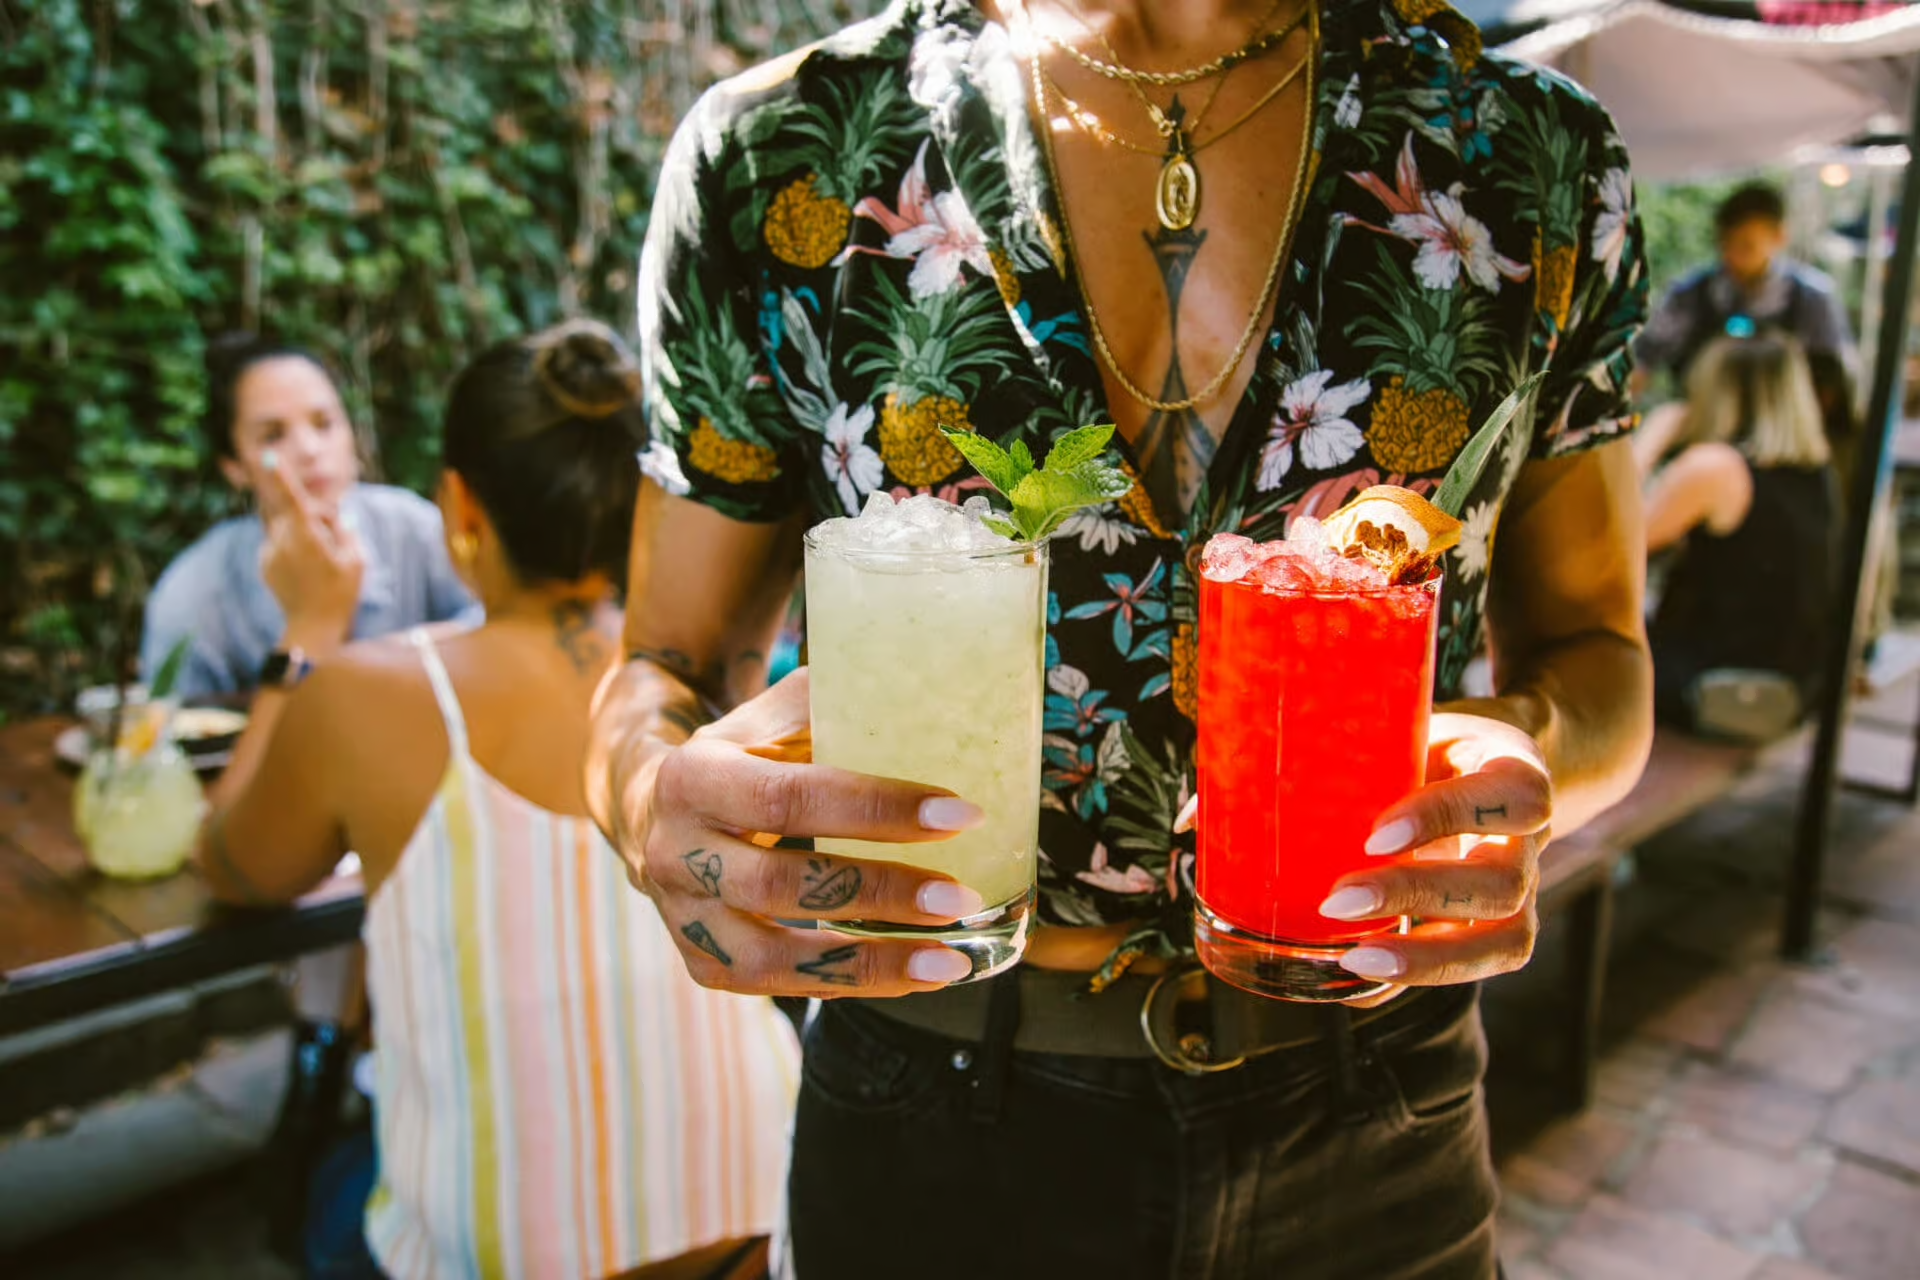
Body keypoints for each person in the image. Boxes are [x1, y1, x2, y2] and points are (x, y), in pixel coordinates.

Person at [592, 2, 1654, 1276]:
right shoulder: (788, 149)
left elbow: (1600, 650)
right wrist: (651, 787)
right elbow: (664, 659)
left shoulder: (1528, 152)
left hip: (1374, 1108)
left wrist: (1529, 762)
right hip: (932, 1100)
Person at [196, 320, 799, 1280]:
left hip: (506, 1247)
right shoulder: (723, 675)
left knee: (319, 1203)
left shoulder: (363, 693)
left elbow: (232, 868)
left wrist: (309, 623)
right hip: (765, 1203)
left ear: (460, 507)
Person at [141, 334, 475, 700]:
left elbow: (506, 627)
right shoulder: (194, 595)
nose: (309, 450)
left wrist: (399, 651)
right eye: (273, 436)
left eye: (324, 423)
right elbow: (166, 736)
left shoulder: (416, 530)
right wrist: (311, 627)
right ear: (234, 466)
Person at [1642, 334, 1837, 739]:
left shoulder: (1716, 467)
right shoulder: (1816, 473)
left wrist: (1653, 436)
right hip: (1794, 682)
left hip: (1714, 685)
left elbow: (1605, 544)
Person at [1633, 181, 1857, 446]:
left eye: (1747, 246)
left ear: (1779, 237)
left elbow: (1832, 383)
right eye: (1726, 244)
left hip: (1784, 445)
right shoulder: (1690, 294)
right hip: (1703, 439)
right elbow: (1642, 363)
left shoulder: (1811, 299)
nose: (1734, 257)